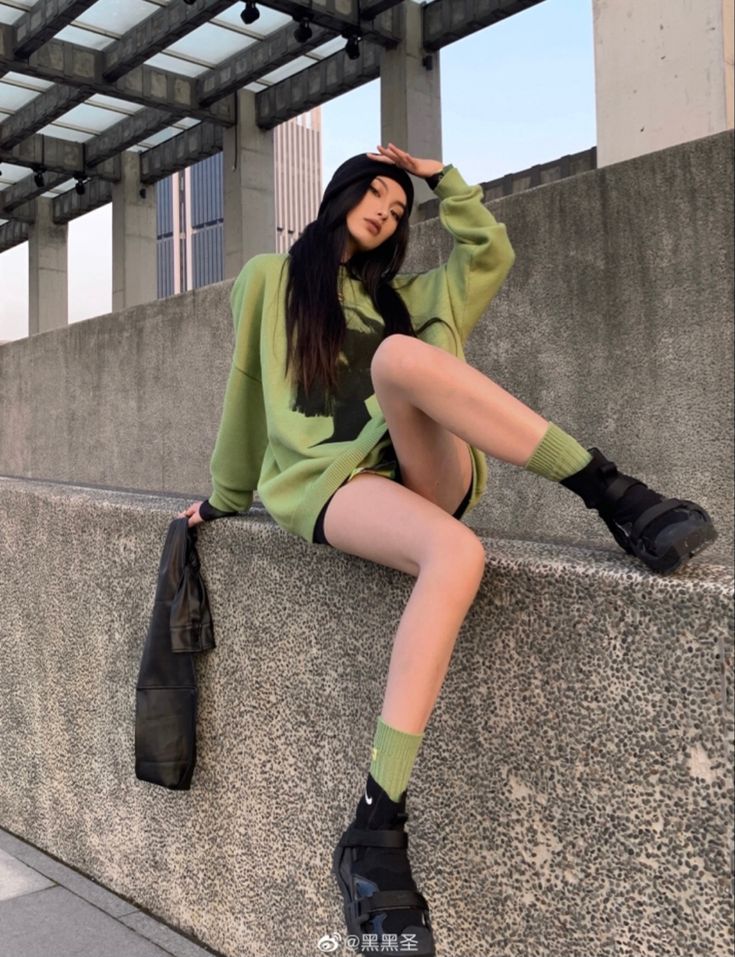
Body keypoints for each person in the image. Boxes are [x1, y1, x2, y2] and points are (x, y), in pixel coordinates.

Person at [177, 143, 717, 956]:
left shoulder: (414, 298)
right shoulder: (269, 279)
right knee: (458, 556)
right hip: (336, 487)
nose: (388, 213)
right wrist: (221, 500)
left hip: (427, 470)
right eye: (378, 196)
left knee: (401, 354)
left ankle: (615, 495)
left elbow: (490, 251)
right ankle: (374, 825)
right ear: (342, 192)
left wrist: (440, 180)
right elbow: (248, 391)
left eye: (400, 210)